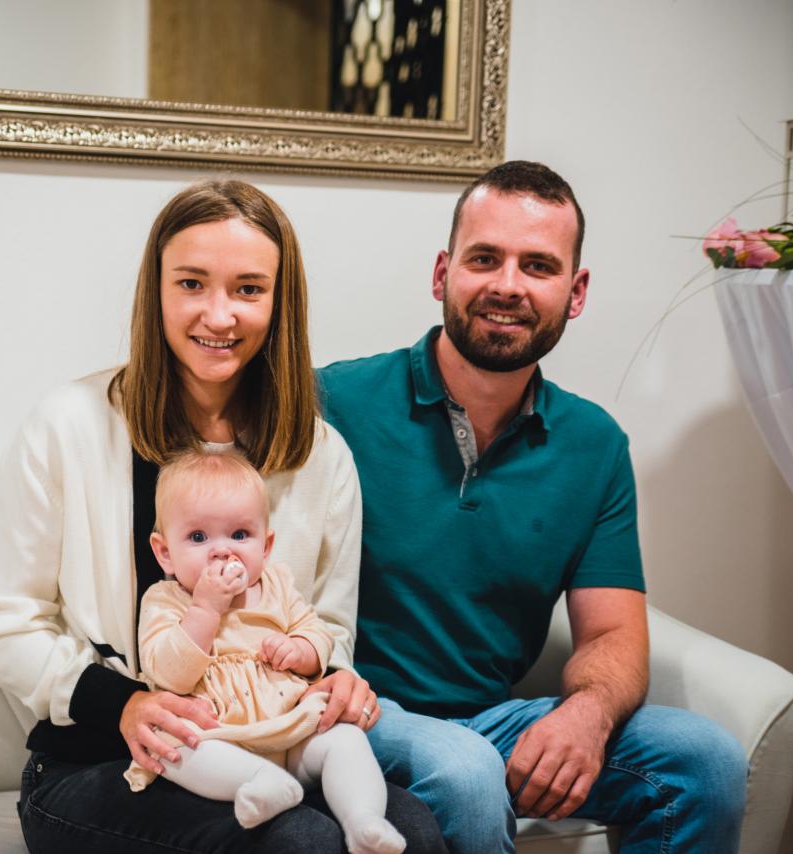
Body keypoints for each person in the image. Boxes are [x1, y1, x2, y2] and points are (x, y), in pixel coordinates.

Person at [0, 179, 444, 853]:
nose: (218, 316)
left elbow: (329, 626)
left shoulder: (320, 454)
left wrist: (335, 678)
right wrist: (124, 704)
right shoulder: (68, 425)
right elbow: (1, 620)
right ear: (156, 291)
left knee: (416, 832)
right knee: (300, 841)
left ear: (279, 303)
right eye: (191, 283)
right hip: (99, 762)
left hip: (268, 741)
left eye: (248, 289)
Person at [318, 161, 749, 853]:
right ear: (442, 274)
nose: (508, 285)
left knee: (704, 760)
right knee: (465, 771)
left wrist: (588, 714)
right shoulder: (332, 404)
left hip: (489, 723)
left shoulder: (594, 445)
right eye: (484, 258)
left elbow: (612, 634)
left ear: (575, 293)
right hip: (352, 716)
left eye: (538, 266)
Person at [125, 449, 405, 854]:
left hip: (291, 730)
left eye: (240, 535)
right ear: (164, 552)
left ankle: (363, 821)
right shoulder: (165, 601)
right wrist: (205, 609)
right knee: (168, 744)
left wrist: (300, 650)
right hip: (220, 736)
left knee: (345, 739)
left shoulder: (277, 586)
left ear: (266, 545)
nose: (222, 551)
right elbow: (170, 674)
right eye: (198, 538)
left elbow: (318, 634)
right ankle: (261, 782)